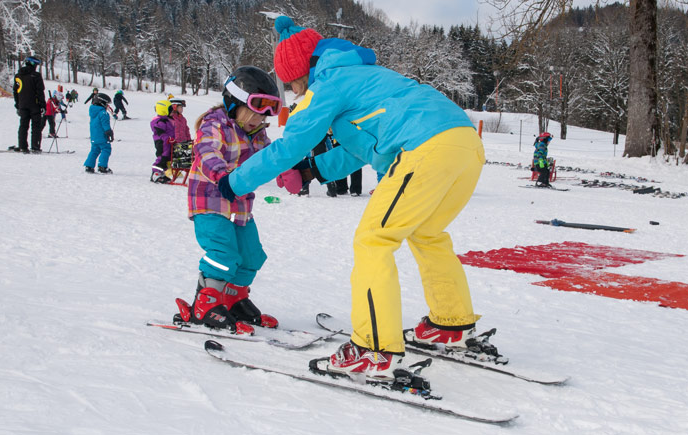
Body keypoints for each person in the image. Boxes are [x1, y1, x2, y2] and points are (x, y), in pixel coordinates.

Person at [215, 16, 491, 380]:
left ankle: (373, 349)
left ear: (302, 71)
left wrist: (235, 182)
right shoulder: (365, 77)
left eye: (293, 84)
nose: (296, 92)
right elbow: (362, 149)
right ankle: (450, 323)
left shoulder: (327, 83)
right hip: (463, 145)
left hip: (425, 149)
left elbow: (288, 146)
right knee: (427, 233)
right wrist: (311, 172)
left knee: (374, 241)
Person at [173, 66, 282, 333]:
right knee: (223, 254)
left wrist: (290, 167)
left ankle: (233, 300)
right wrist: (222, 176)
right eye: (255, 114)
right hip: (211, 201)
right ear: (235, 103)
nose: (260, 121)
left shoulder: (256, 132)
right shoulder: (215, 124)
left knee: (251, 255)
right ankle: (207, 302)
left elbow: (268, 158)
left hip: (241, 205)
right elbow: (206, 152)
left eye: (266, 116)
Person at [12, 56, 46, 153]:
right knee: (36, 126)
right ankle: (35, 146)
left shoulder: (18, 75)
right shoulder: (36, 76)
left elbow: (15, 91)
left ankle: (22, 146)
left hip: (22, 104)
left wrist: (17, 104)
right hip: (34, 105)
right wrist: (43, 105)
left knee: (23, 125)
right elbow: (40, 91)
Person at [83, 93, 114, 174]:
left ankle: (89, 166)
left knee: (94, 150)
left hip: (94, 136)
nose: (107, 106)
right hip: (102, 136)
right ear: (102, 103)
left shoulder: (93, 112)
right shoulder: (103, 113)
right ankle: (102, 166)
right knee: (106, 149)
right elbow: (105, 124)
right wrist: (109, 132)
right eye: (106, 104)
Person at [150, 100, 176, 183]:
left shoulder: (167, 120)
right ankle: (155, 173)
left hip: (168, 143)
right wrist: (166, 138)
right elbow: (159, 132)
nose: (173, 112)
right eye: (170, 110)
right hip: (162, 143)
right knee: (162, 157)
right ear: (164, 111)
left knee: (167, 157)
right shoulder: (160, 121)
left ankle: (162, 174)